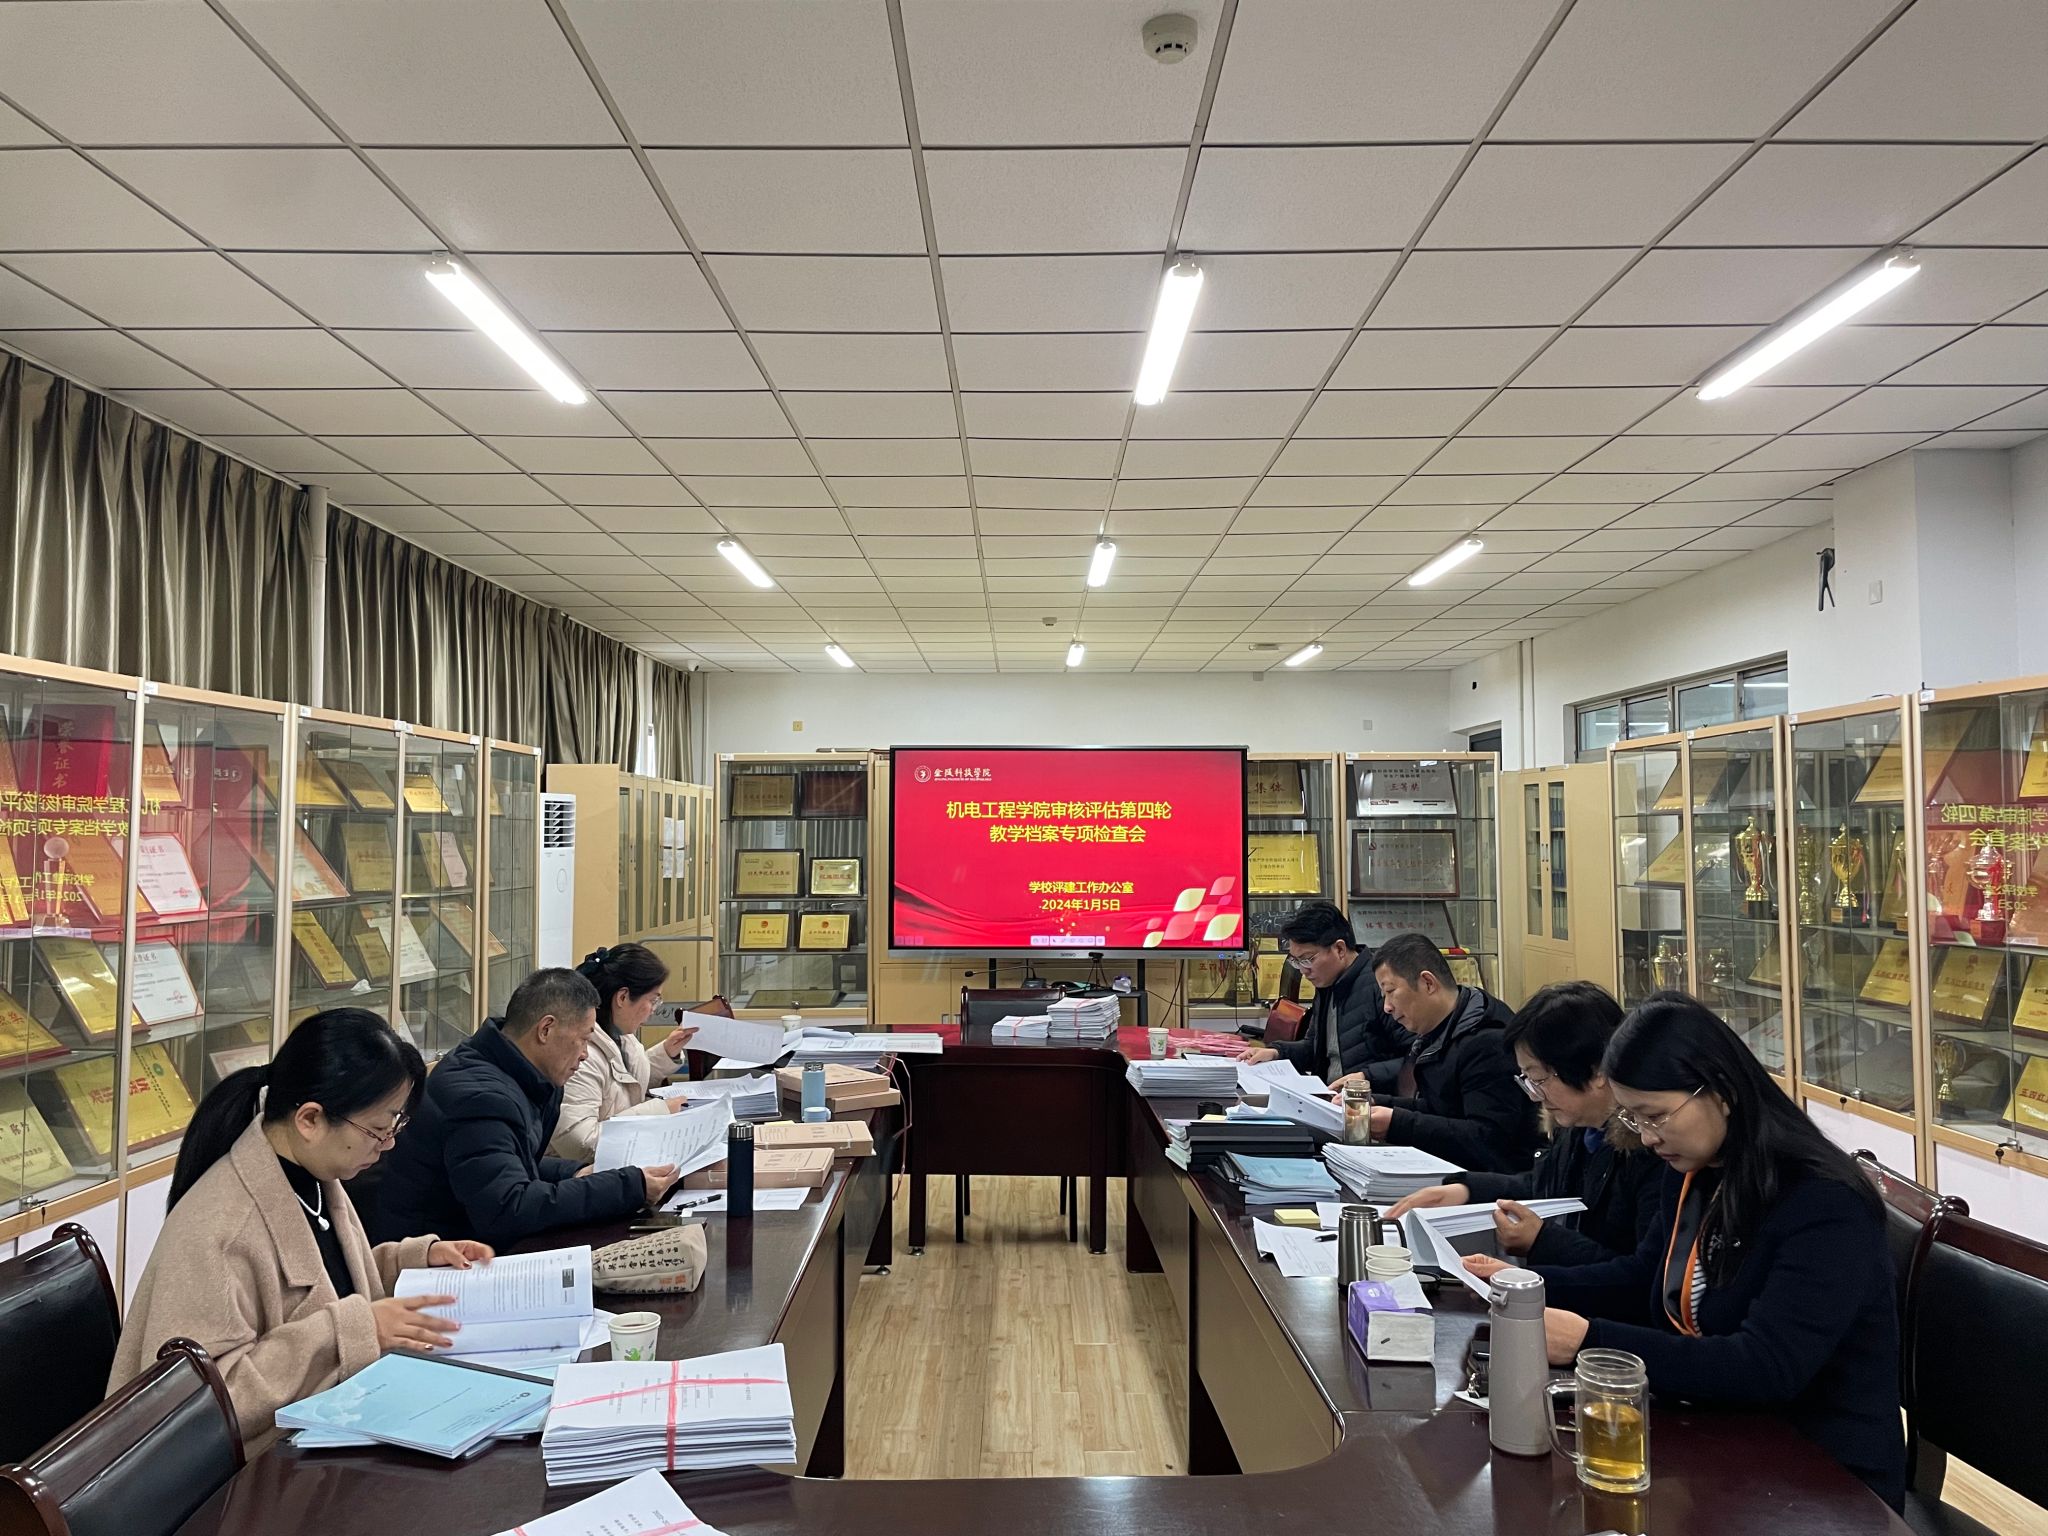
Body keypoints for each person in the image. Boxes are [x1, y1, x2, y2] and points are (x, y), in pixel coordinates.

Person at [1465, 993, 1904, 1508]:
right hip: (1725, 1437)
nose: (1648, 1138)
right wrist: (1522, 1290)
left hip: (1822, 1480)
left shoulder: (1823, 1202)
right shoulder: (1699, 1170)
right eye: (1634, 1120)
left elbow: (1766, 1366)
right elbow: (1643, 1281)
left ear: (1721, 1090)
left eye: (1655, 1116)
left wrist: (1589, 1339)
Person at [112, 1009, 492, 1444]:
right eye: (377, 1129)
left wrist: (413, 1262)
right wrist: (359, 1329)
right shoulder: (220, 1230)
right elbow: (202, 1402)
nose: (388, 1145)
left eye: (395, 1126)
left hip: (324, 1423)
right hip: (250, 1468)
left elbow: (321, 1282)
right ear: (310, 1119)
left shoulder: (310, 1172)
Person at [372, 968, 678, 1249]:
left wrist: (576, 1172)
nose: (585, 1054)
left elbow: (509, 1162)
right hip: (436, 1255)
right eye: (583, 1040)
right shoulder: (481, 1097)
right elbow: (508, 1208)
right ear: (546, 1029)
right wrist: (628, 1187)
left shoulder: (508, 1067)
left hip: (467, 1237)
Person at [1388, 981, 1659, 1264]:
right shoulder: (1580, 1128)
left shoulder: (1649, 1145)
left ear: (1597, 1072)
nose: (1533, 1095)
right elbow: (1543, 1185)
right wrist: (1465, 1190)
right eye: (1527, 1080)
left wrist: (1541, 1244)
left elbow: (1642, 1274)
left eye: (1539, 1079)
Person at [1358, 932, 1537, 1172]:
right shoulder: (1442, 1027)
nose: (1387, 1007)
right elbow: (1442, 1108)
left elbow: (1488, 1139)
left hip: (1487, 1183)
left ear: (1428, 983)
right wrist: (1374, 1102)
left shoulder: (1487, 1041)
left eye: (1390, 992)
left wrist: (1397, 1123)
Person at [549, 943, 698, 1163]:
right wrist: (660, 1111)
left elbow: (626, 1084)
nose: (654, 1009)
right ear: (622, 997)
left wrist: (666, 1052)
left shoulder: (622, 1037)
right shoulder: (580, 1056)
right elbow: (581, 1144)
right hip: (579, 1173)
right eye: (653, 1000)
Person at [1238, 902, 1406, 1088]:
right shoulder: (1327, 985)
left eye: (1307, 960)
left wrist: (1366, 1076)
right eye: (1296, 961)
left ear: (1339, 949)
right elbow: (1315, 1049)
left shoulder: (1381, 986)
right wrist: (1276, 1052)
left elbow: (1414, 1061)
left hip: (1366, 1100)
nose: (1303, 970)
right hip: (1329, 1096)